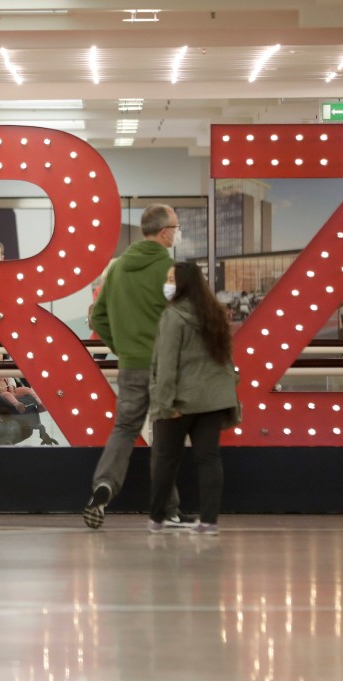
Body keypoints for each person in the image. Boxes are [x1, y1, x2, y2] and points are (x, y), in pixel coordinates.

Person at [83, 203, 189, 530]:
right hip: (164, 368)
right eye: (176, 225)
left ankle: (103, 486)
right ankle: (167, 510)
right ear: (164, 231)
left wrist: (122, 348)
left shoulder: (115, 269)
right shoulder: (169, 270)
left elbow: (97, 317)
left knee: (125, 428)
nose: (177, 231)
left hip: (129, 366)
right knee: (164, 434)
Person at [147, 262, 240, 536]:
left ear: (183, 284)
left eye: (171, 278)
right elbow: (227, 361)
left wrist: (163, 404)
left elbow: (166, 365)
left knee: (165, 459)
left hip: (179, 401)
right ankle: (209, 522)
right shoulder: (215, 315)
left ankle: (157, 519)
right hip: (214, 400)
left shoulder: (173, 317)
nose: (167, 283)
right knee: (209, 458)